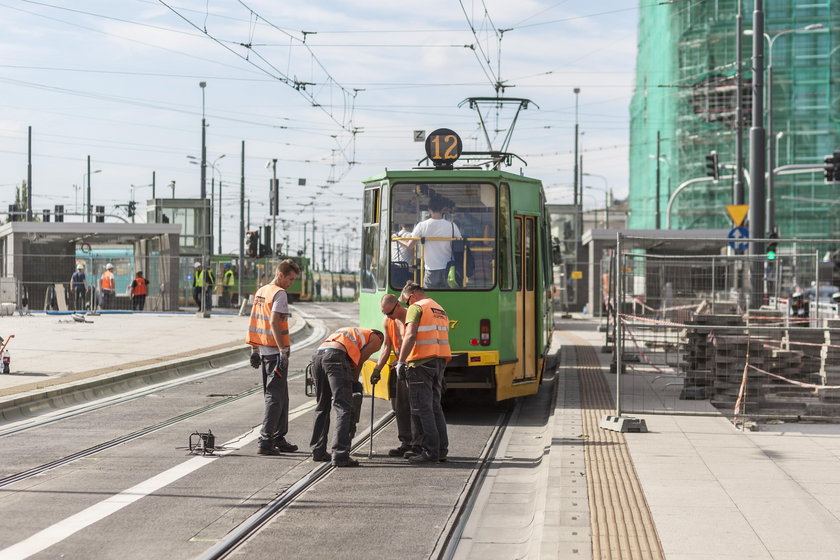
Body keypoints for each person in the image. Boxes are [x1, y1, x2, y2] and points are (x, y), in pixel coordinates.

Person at [246, 259, 301, 455]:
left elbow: (254, 321)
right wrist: (283, 351)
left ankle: (278, 436)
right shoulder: (279, 294)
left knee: (281, 397)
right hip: (275, 353)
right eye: (290, 279)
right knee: (274, 398)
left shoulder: (262, 291)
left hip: (264, 351)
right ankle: (266, 440)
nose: (291, 283)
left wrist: (254, 350)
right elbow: (273, 322)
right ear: (280, 275)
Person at [310, 327, 384, 467]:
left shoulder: (352, 332)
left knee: (322, 406)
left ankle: (318, 451)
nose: (377, 348)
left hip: (318, 356)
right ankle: (340, 454)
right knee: (343, 407)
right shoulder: (376, 338)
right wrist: (354, 382)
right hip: (335, 357)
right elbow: (360, 360)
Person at [394, 281, 451, 464]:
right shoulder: (439, 308)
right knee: (435, 407)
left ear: (411, 296)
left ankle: (430, 453)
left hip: (421, 363)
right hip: (439, 362)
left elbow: (410, 336)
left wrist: (401, 361)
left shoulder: (417, 307)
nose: (406, 306)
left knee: (423, 409)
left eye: (406, 302)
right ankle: (441, 450)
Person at [371, 293, 416, 457]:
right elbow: (386, 347)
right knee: (401, 407)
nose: (388, 316)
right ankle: (406, 442)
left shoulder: (411, 317)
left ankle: (418, 444)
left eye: (390, 312)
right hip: (400, 367)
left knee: (416, 406)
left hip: (414, 366)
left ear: (398, 305)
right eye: (385, 313)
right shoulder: (388, 321)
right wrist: (377, 369)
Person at [401, 196, 461, 289]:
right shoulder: (452, 226)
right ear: (443, 210)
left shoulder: (422, 226)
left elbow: (409, 246)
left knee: (430, 299)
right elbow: (460, 244)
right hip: (449, 270)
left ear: (429, 209)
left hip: (431, 269)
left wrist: (396, 239)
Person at [391, 223, 415, 287]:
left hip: (394, 268)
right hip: (407, 270)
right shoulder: (412, 236)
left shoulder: (394, 235)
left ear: (401, 225)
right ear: (414, 225)